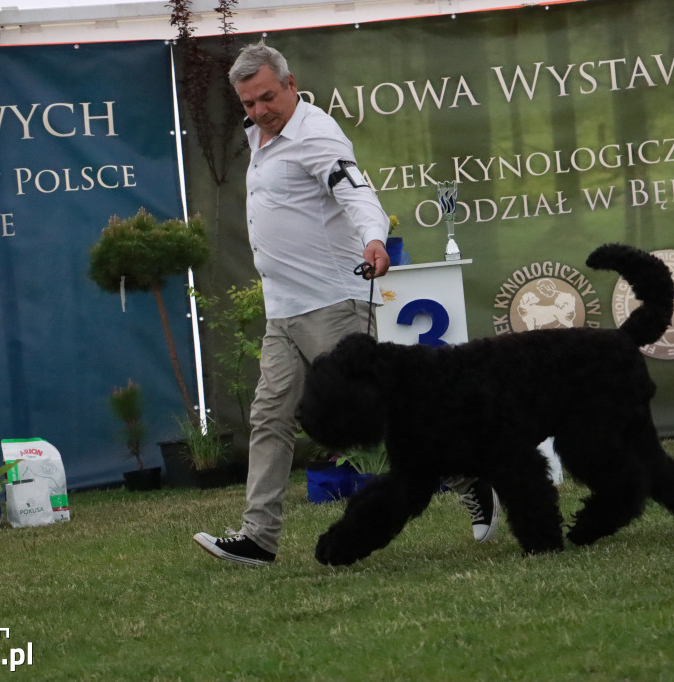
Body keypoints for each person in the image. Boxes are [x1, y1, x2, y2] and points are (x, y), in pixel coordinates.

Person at [193, 42, 498, 566]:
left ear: (291, 85)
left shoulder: (315, 134)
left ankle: (470, 474)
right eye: (248, 104)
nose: (259, 111)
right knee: (270, 417)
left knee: (384, 412)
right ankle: (258, 538)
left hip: (332, 303)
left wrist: (374, 238)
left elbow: (356, 192)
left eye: (267, 97)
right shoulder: (264, 140)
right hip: (283, 310)